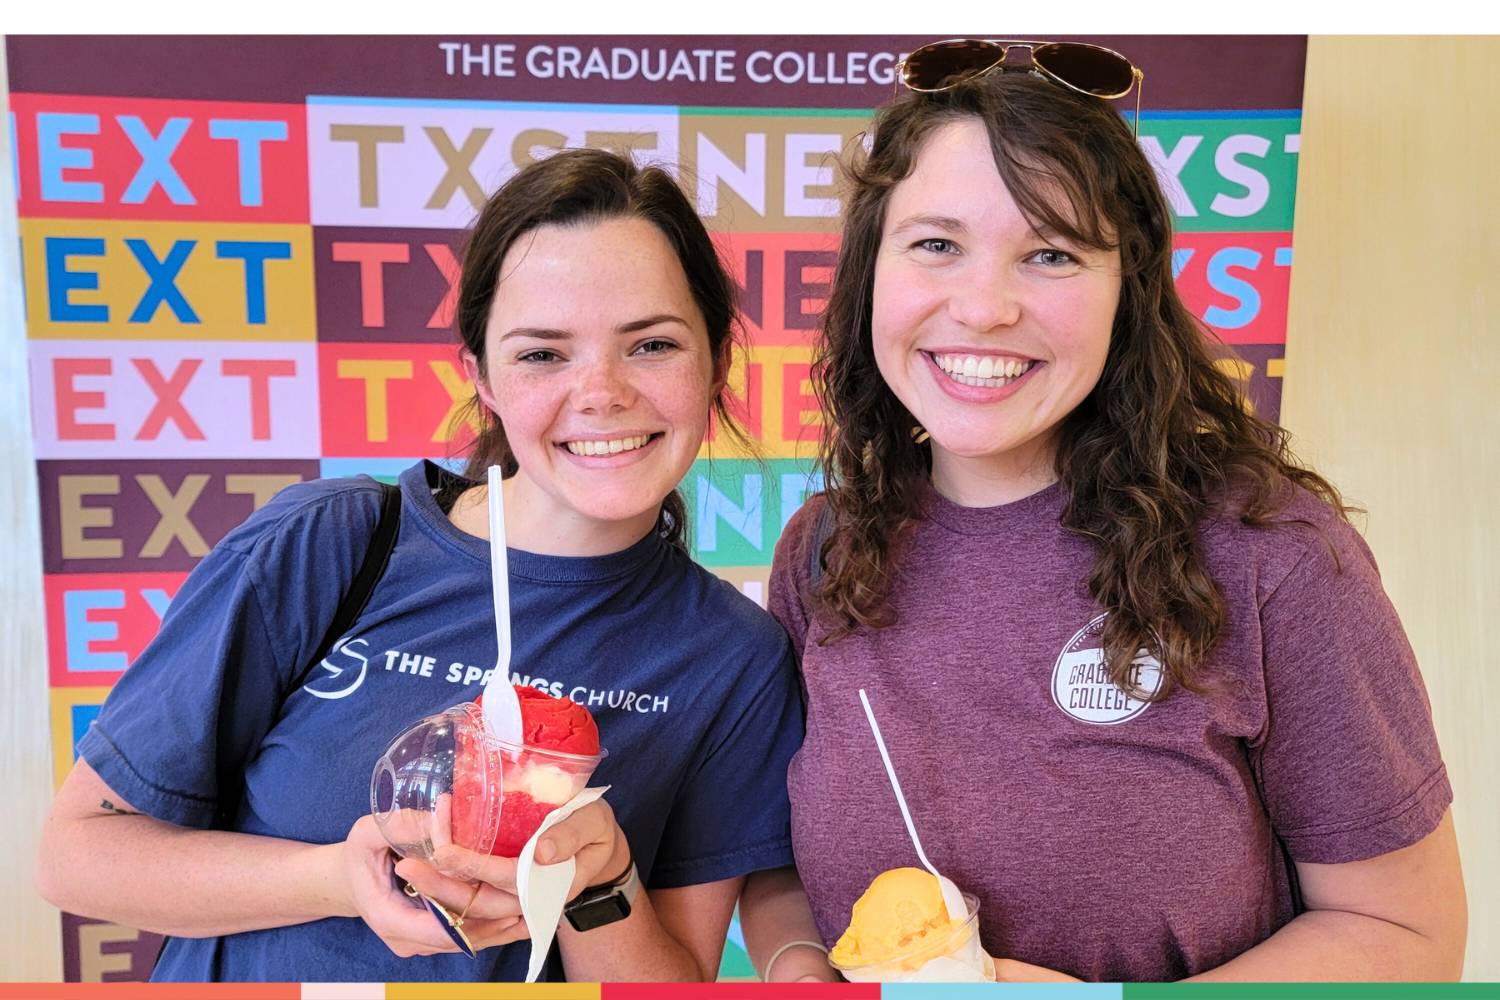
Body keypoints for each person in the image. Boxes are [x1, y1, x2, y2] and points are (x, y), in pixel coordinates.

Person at [746, 41, 1467, 982]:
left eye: (1051, 253)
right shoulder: (823, 552)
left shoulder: (1268, 555)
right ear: (869, 272)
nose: (985, 307)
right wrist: (797, 964)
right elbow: (778, 864)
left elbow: (1408, 940)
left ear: (1128, 290)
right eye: (936, 244)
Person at [35, 148, 803, 983]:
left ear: (717, 362)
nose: (601, 392)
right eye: (542, 354)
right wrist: (336, 878)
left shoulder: (733, 658)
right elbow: (77, 854)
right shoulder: (332, 545)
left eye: (651, 344)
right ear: (481, 377)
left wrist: (598, 880)